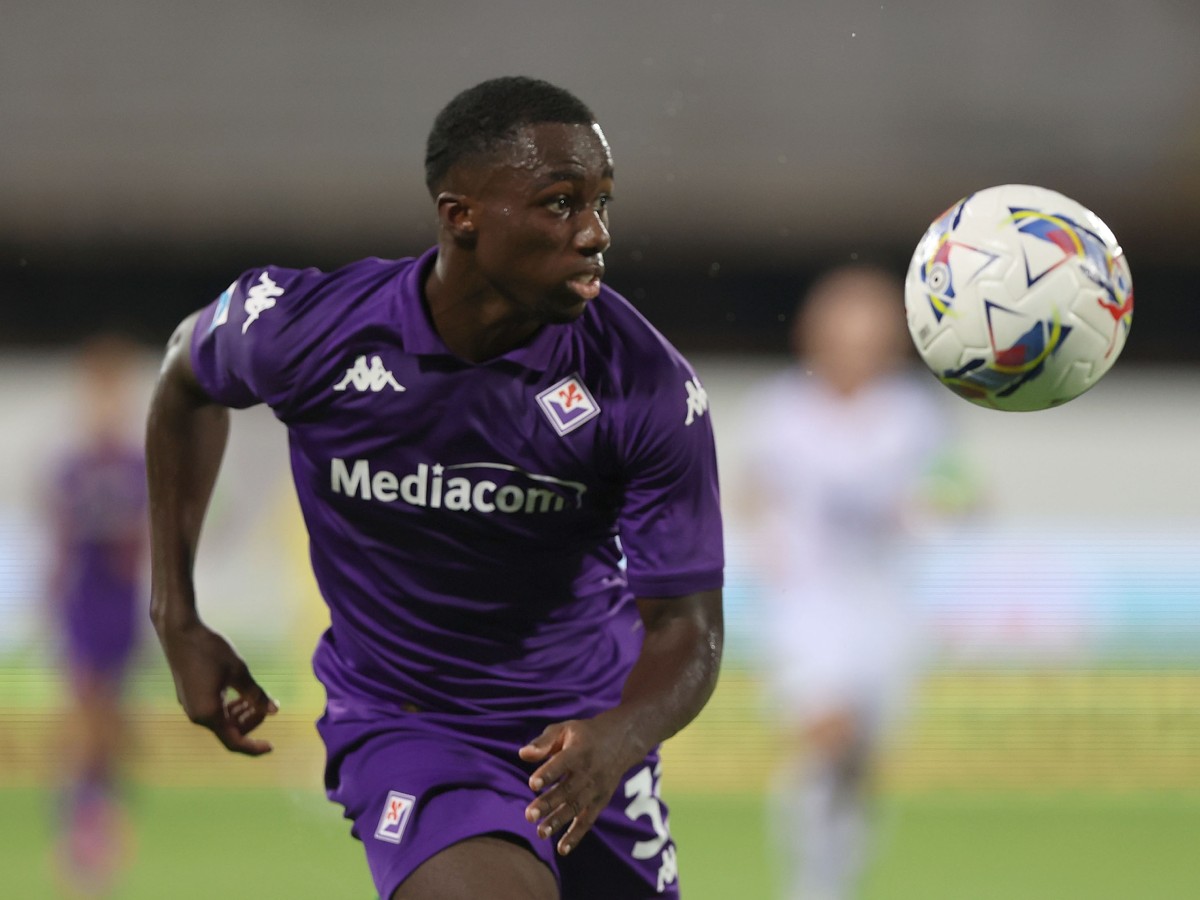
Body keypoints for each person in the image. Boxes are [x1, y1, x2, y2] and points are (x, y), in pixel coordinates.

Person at [146, 76, 724, 900]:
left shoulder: (645, 386)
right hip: (409, 725)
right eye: (561, 203)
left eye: (603, 202)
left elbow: (689, 627)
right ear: (463, 216)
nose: (595, 233)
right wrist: (176, 616)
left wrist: (617, 737)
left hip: (581, 738)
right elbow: (184, 377)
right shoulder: (309, 332)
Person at [739, 267, 954, 900]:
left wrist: (940, 510)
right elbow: (755, 491)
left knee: (856, 762)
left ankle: (835, 879)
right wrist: (765, 550)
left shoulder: (914, 413)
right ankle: (810, 889)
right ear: (814, 332)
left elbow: (951, 492)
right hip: (808, 601)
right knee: (825, 733)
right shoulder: (781, 409)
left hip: (883, 603)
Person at [46, 333, 148, 894]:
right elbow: (61, 542)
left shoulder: (136, 464)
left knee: (111, 720)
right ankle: (79, 824)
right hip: (84, 601)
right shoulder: (73, 467)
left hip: (120, 605)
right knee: (84, 711)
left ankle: (99, 814)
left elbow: (141, 543)